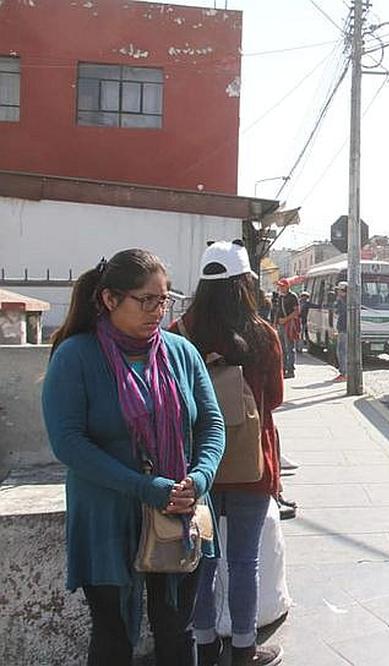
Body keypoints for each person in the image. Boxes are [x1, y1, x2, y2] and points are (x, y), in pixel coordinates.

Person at [42, 249, 225, 666]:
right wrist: (145, 487)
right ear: (109, 299)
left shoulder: (182, 352)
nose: (158, 311)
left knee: (177, 633)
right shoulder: (76, 356)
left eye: (164, 300)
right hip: (106, 517)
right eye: (146, 300)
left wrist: (199, 478)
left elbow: (211, 423)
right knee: (112, 638)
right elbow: (68, 443)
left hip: (179, 514)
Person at [170, 241, 284, 666]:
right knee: (244, 561)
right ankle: (243, 647)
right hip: (252, 466)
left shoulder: (180, 334)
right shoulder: (262, 334)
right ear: (244, 284)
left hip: (198, 468)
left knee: (200, 560)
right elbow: (273, 398)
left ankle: (204, 644)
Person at [270, 279, 299, 378]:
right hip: (280, 325)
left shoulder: (292, 296)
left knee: (289, 347)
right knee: (282, 348)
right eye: (280, 286)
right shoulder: (279, 297)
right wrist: (274, 323)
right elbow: (276, 311)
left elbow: (296, 311)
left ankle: (290, 369)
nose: (280, 288)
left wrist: (286, 319)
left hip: (288, 324)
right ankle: (283, 368)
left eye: (282, 286)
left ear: (287, 286)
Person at [333, 281, 349, 381]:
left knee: (341, 351)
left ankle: (344, 373)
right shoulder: (348, 300)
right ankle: (344, 372)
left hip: (344, 329)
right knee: (343, 351)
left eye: (339, 290)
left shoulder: (342, 301)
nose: (337, 292)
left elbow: (337, 311)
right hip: (343, 328)